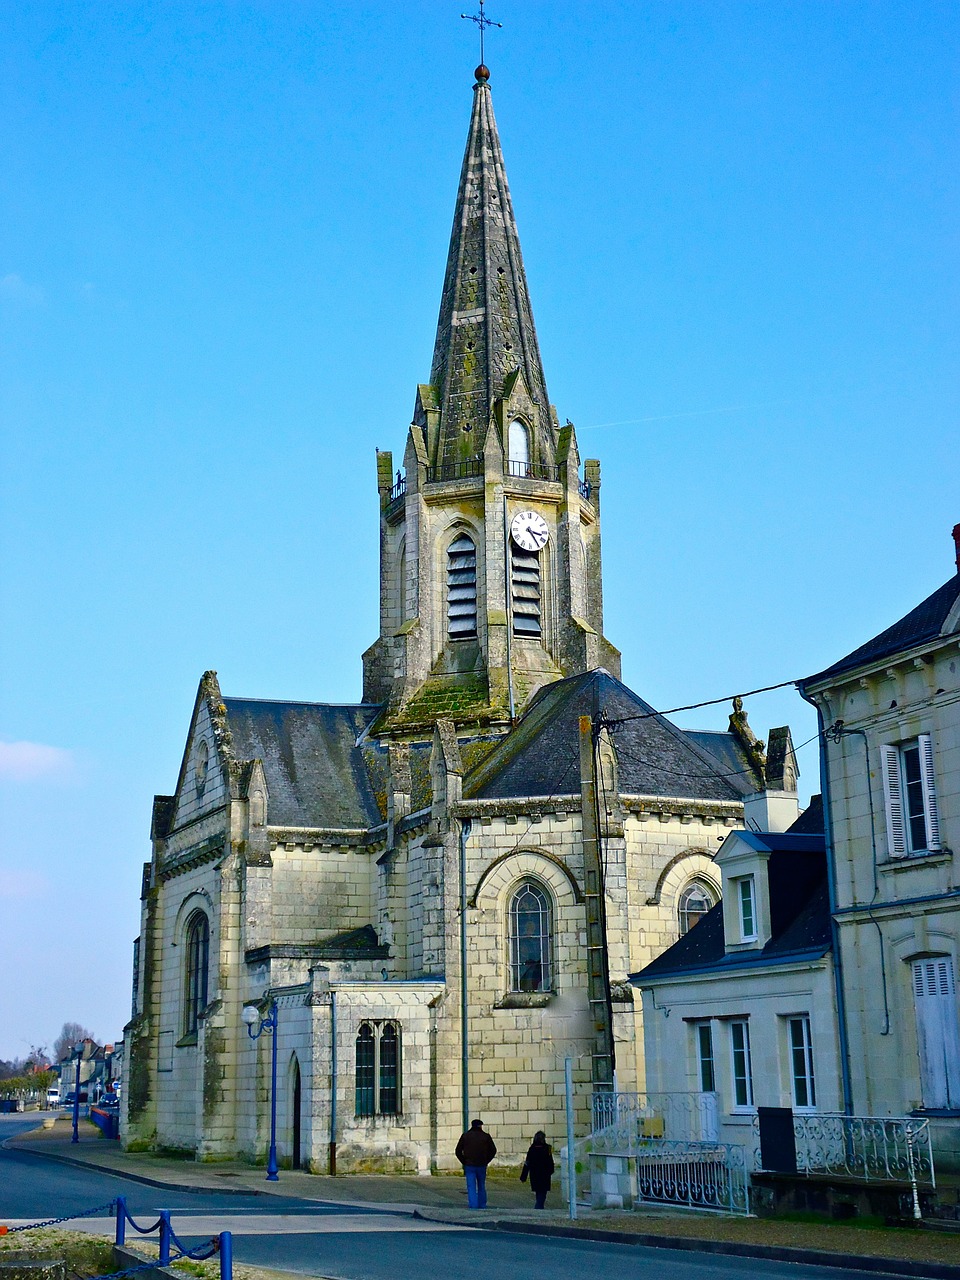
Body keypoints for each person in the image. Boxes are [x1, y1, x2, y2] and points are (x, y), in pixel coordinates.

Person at [455, 1118, 497, 1209]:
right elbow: (493, 1150)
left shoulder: (466, 1136)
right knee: (481, 1185)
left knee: (471, 1186)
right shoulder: (486, 1136)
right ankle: (482, 1205)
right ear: (480, 1126)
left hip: (469, 1164)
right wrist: (487, 1160)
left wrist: (464, 1161)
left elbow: (458, 1151)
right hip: (481, 1164)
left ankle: (473, 1205)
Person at [520, 1130, 555, 1210]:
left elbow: (527, 1163)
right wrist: (550, 1171)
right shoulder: (547, 1148)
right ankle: (538, 1208)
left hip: (535, 1174)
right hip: (544, 1174)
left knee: (538, 1192)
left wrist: (523, 1176)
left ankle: (539, 1208)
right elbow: (550, 1161)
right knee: (542, 1193)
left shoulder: (532, 1149)